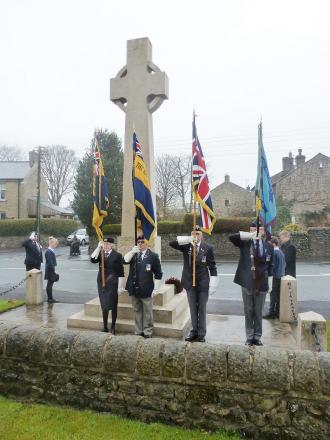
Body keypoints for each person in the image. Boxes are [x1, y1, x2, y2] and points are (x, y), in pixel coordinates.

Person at [169, 226, 218, 343]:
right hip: (190, 283)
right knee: (192, 308)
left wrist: (213, 284)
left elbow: (212, 267)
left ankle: (201, 333)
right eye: (193, 233)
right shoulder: (187, 246)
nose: (195, 236)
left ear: (202, 236)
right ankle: (194, 331)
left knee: (201, 308)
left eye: (197, 234)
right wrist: (188, 239)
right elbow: (172, 243)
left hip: (203, 283)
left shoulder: (207, 248)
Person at [229, 220, 273, 346]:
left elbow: (271, 265)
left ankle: (257, 336)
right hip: (247, 282)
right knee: (248, 310)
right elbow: (231, 238)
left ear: (263, 231)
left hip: (262, 282)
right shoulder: (245, 243)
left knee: (258, 311)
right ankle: (249, 336)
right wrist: (249, 235)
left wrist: (270, 281)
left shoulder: (269, 246)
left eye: (258, 230)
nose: (256, 232)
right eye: (253, 230)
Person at [124, 235, 162, 338]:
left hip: (146, 288)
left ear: (147, 243)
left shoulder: (153, 256)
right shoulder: (134, 254)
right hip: (134, 287)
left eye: (142, 242)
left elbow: (158, 273)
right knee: (137, 310)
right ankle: (138, 330)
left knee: (147, 312)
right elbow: (125, 261)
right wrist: (132, 251)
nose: (140, 244)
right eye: (138, 242)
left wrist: (156, 288)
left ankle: (148, 331)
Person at [90, 237, 125, 334]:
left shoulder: (117, 255)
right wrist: (98, 248)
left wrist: (120, 287)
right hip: (101, 283)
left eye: (108, 244)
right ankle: (105, 326)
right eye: (104, 244)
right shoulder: (101, 253)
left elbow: (121, 272)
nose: (105, 246)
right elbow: (92, 260)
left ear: (112, 245)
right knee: (104, 305)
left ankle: (113, 327)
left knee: (113, 305)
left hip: (112, 283)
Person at [264, 237, 286, 319]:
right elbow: (284, 265)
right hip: (281, 276)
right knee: (278, 295)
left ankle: (271, 313)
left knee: (272, 295)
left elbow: (272, 266)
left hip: (275, 277)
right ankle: (277, 312)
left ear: (273, 244)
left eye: (269, 244)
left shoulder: (274, 253)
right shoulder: (281, 252)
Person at [44, 236, 59, 303]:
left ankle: (50, 298)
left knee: (50, 284)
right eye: (55, 244)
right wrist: (54, 271)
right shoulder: (48, 252)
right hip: (50, 270)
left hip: (50, 270)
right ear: (52, 243)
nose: (56, 245)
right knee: (49, 285)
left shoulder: (50, 251)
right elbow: (50, 263)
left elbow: (51, 263)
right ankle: (50, 299)